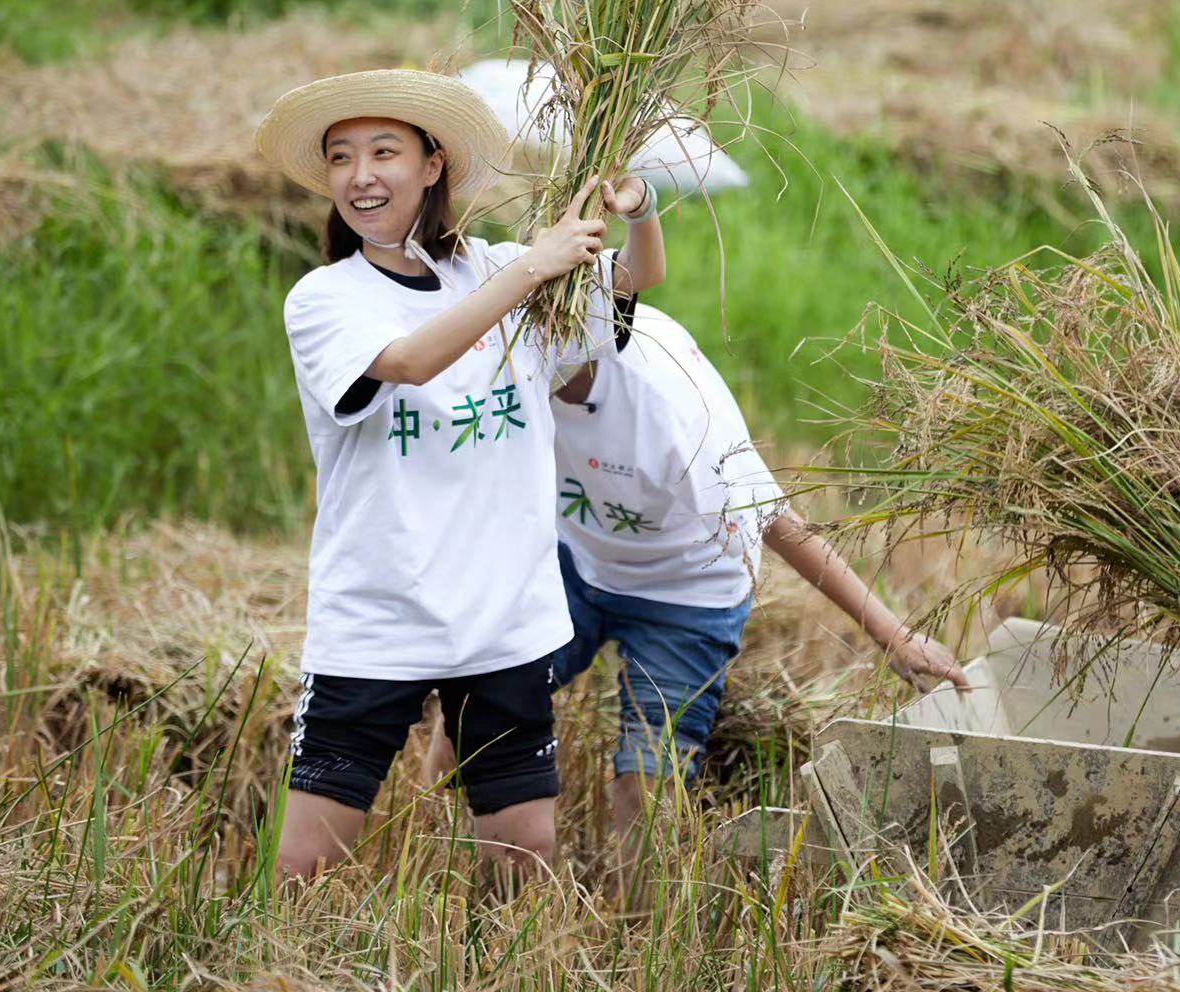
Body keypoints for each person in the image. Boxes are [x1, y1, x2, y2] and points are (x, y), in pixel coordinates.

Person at [254, 68, 665, 881]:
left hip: (504, 619)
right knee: (306, 866)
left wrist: (640, 209)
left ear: (433, 164)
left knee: (525, 852)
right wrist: (533, 268)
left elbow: (629, 280)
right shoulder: (325, 299)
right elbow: (407, 362)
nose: (361, 176)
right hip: (379, 616)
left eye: (384, 152)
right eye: (341, 158)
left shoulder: (500, 267)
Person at [434, 301, 968, 868]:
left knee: (646, 788)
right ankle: (446, 876)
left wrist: (894, 635)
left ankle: (637, 937)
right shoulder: (497, 374)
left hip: (687, 592)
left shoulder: (666, 406)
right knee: (468, 715)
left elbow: (774, 519)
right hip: (576, 560)